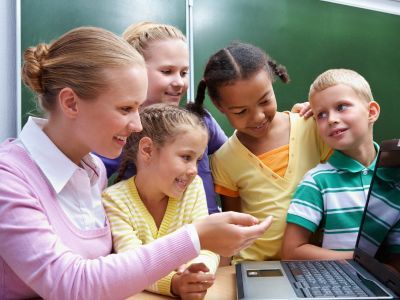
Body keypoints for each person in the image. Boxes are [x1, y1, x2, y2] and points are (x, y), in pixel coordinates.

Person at [0, 26, 273, 300]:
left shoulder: (93, 172)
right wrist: (195, 237)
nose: (137, 124)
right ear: (71, 103)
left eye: (139, 107)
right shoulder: (9, 178)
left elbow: (109, 271)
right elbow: (71, 284)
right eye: (125, 109)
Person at [191, 42, 332, 264]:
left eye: (265, 100)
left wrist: (325, 112)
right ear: (220, 107)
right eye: (240, 111)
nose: (257, 117)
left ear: (273, 84)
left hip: (315, 265)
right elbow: (234, 230)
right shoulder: (225, 159)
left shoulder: (312, 128)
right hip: (255, 267)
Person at [95, 21, 227, 214]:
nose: (179, 82)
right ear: (134, 70)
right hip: (152, 240)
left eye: (184, 72)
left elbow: (236, 157)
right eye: (167, 71)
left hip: (211, 238)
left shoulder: (199, 120)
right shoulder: (123, 131)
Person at [103, 104, 225, 298]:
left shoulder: (193, 188)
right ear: (148, 150)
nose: (194, 169)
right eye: (186, 157)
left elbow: (207, 246)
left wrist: (197, 273)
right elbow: (131, 264)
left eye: (197, 159)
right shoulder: (114, 200)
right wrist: (174, 283)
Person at [281, 68, 381, 260]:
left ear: (371, 112)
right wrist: (361, 260)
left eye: (341, 107)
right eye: (321, 115)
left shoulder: (394, 172)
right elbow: (291, 252)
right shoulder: (317, 181)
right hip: (344, 285)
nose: (332, 119)